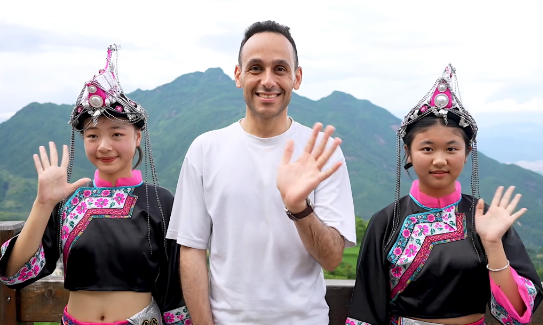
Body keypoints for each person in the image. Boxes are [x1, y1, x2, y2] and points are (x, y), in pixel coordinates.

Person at [166, 20, 356, 325]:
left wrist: (299, 208)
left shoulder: (319, 153)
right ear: (239, 75)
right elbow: (191, 250)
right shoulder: (205, 149)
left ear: (297, 77)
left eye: (280, 68)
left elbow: (332, 258)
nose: (268, 81)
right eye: (256, 68)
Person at [0, 45, 189, 325]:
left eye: (116, 134)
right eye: (92, 135)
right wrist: (43, 204)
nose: (104, 146)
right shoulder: (66, 202)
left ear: (137, 136)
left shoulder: (161, 201)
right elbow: (13, 271)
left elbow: (176, 283)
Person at [345, 64, 543, 325]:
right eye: (427, 149)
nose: (440, 160)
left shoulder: (486, 220)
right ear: (408, 152)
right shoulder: (385, 222)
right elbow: (366, 309)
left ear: (467, 153)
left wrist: (494, 244)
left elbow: (518, 313)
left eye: (451, 149)